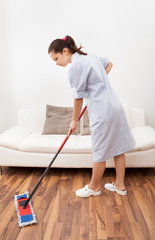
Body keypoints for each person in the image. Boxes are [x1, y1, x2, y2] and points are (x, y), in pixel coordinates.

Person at [48, 35, 136, 197]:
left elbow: (78, 97)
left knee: (99, 151)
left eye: (56, 58)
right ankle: (119, 184)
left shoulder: (75, 66)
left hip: (103, 111)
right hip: (115, 106)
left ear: (65, 51)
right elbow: (109, 64)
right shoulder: (89, 57)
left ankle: (94, 187)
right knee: (118, 147)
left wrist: (74, 120)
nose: (56, 62)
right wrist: (97, 85)